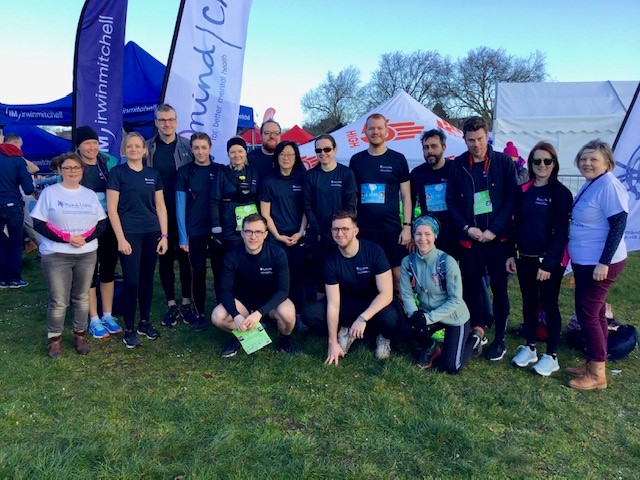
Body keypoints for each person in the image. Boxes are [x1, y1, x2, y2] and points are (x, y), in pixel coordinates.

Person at [445, 116, 517, 361]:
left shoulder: (503, 162)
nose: (476, 144)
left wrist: (495, 229)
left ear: (487, 136)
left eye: (479, 138)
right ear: (463, 139)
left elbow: (511, 199)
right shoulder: (458, 165)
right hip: (470, 239)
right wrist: (467, 228)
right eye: (470, 140)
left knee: (499, 289)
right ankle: (478, 329)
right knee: (473, 287)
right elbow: (451, 201)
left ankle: (500, 340)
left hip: (498, 239)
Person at [30, 153, 107, 357]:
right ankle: (54, 339)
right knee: (59, 300)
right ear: (59, 170)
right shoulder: (50, 193)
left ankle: (80, 335)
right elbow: (39, 223)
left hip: (86, 253)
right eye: (67, 168)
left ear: (82, 170)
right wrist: (66, 238)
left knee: (81, 297)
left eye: (76, 168)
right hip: (56, 254)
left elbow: (101, 223)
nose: (72, 171)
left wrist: (85, 238)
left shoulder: (89, 194)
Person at [506, 142, 573, 376]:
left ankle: (551, 355)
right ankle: (531, 347)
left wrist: (549, 263)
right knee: (529, 304)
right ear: (530, 163)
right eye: (537, 161)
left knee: (550, 306)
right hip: (525, 258)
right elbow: (515, 225)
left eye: (547, 161)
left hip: (549, 262)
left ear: (554, 164)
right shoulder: (523, 190)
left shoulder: (561, 193)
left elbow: (561, 232)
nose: (542, 165)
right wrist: (511, 254)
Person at [566, 140, 628, 390]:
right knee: (597, 313)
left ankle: (597, 374)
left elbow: (618, 224)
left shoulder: (609, 185)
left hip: (599, 263)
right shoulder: (594, 183)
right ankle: (594, 361)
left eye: (593, 159)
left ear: (607, 162)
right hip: (586, 261)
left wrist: (603, 262)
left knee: (588, 314)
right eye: (583, 159)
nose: (587, 163)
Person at [302, 211, 403, 364]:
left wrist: (363, 318)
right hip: (347, 303)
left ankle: (382, 337)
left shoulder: (374, 251)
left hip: (373, 302)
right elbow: (334, 304)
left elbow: (386, 294)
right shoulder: (331, 261)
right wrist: (332, 342)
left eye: (345, 229)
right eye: (335, 229)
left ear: (355, 231)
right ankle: (345, 331)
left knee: (391, 320)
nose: (339, 233)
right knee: (310, 315)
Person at [107, 132, 169, 348]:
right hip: (129, 234)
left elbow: (160, 207)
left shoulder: (154, 174)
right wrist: (121, 239)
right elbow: (112, 210)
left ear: (145, 150)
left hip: (151, 232)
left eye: (137, 146)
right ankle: (130, 328)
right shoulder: (117, 173)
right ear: (124, 151)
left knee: (146, 280)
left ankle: (144, 322)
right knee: (132, 281)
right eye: (129, 146)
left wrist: (164, 236)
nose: (133, 149)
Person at [211, 213, 300, 357]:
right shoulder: (232, 256)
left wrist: (259, 313)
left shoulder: (277, 254)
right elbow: (224, 291)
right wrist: (236, 315)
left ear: (265, 234)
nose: (253, 236)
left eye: (258, 232)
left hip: (269, 300)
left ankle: (285, 339)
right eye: (249, 231)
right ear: (242, 233)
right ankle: (241, 336)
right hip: (244, 301)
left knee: (289, 314)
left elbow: (283, 290)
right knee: (218, 316)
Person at [400, 215, 473, 373]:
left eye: (428, 234)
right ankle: (430, 347)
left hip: (454, 317)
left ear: (435, 236)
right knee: (405, 330)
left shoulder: (447, 262)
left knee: (450, 367)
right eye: (418, 234)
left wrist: (427, 319)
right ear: (414, 235)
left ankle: (474, 340)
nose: (423, 239)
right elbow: (406, 294)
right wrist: (415, 314)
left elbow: (455, 300)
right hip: (427, 312)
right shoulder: (408, 262)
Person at [349, 114, 412, 292]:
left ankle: (403, 314)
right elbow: (352, 195)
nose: (375, 132)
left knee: (398, 275)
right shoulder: (357, 160)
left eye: (379, 128)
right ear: (365, 131)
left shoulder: (398, 159)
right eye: (371, 128)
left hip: (391, 229)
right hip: (364, 229)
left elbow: (406, 196)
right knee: (366, 274)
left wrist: (407, 227)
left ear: (386, 130)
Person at [145, 104, 194, 327]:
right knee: (164, 260)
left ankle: (186, 303)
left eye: (171, 119)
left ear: (177, 121)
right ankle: (171, 304)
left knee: (185, 259)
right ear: (156, 122)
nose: (167, 123)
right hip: (157, 214)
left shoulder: (188, 147)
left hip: (183, 213)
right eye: (162, 120)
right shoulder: (147, 149)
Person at [74, 125, 123, 338]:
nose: (92, 147)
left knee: (109, 268)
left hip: (109, 223)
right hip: (85, 225)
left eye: (94, 142)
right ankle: (93, 318)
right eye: (87, 143)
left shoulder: (109, 162)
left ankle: (108, 314)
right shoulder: (72, 165)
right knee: (89, 272)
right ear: (79, 146)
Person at [176, 132, 220, 332]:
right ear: (191, 149)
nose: (200, 151)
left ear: (210, 148)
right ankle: (200, 313)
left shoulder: (220, 170)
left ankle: (224, 308)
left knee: (221, 271)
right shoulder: (185, 172)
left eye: (204, 147)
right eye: (196, 148)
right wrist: (183, 236)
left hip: (218, 230)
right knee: (198, 273)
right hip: (195, 231)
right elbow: (180, 206)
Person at [304, 134, 358, 295]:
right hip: (319, 236)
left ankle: (343, 312)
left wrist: (338, 230)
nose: (323, 153)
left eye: (327, 149)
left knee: (343, 275)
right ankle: (321, 314)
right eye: (318, 150)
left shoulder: (346, 173)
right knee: (321, 277)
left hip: (341, 235)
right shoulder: (310, 176)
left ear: (335, 150)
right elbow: (308, 206)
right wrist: (320, 232)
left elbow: (351, 205)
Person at [259, 140, 307, 313]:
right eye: (282, 154)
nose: (286, 157)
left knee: (297, 275)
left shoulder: (303, 177)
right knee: (275, 275)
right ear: (277, 156)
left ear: (296, 157)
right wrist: (278, 235)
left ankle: (298, 312)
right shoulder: (268, 180)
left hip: (298, 236)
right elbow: (265, 213)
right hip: (276, 237)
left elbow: (306, 209)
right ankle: (271, 312)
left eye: (290, 154)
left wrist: (301, 232)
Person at [209, 136, 259, 299]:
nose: (236, 155)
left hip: (250, 227)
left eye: (240, 151)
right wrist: (216, 229)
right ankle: (226, 299)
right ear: (228, 154)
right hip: (229, 226)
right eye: (232, 152)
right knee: (229, 263)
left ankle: (248, 300)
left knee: (250, 263)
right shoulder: (222, 172)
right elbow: (214, 200)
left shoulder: (254, 172)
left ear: (246, 152)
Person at [410, 128, 457, 257]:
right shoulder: (417, 174)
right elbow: (410, 203)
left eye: (434, 146)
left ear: (443, 147)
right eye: (426, 147)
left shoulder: (455, 169)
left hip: (455, 232)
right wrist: (412, 232)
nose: (429, 151)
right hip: (429, 234)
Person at [0, 133, 34, 288]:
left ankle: (1, 279)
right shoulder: (18, 160)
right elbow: (28, 189)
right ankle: (14, 279)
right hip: (13, 205)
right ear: (15, 144)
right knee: (15, 243)